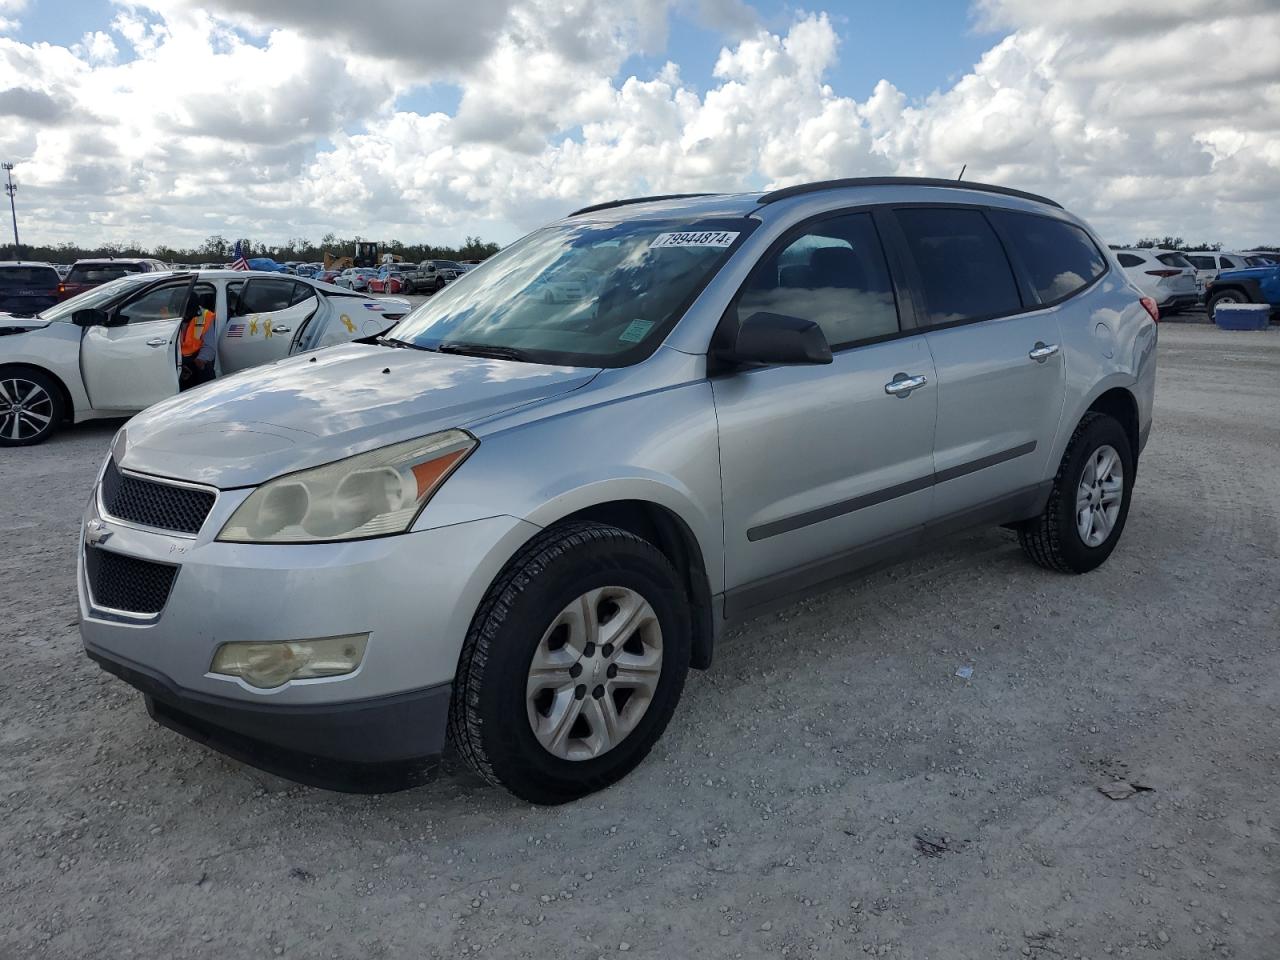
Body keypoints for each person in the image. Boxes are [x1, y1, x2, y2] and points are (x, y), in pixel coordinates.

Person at [179, 296, 217, 390]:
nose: (186, 316)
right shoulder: (169, 315)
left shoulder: (205, 317)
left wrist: (199, 362)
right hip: (176, 360)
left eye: (188, 314)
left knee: (206, 371)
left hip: (195, 359)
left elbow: (209, 347)